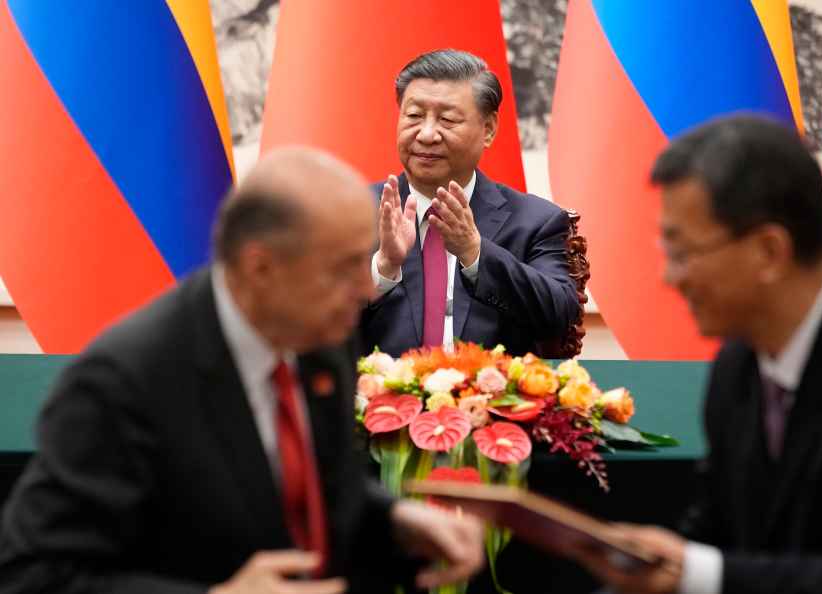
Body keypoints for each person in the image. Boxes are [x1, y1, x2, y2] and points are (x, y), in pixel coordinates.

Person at [0, 147, 484, 594]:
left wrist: (397, 519)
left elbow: (313, 481)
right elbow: (34, 574)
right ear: (261, 269)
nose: (365, 287)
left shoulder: (322, 335)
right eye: (344, 267)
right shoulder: (124, 381)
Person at [575, 116, 822, 593]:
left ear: (769, 251)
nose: (670, 278)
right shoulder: (736, 365)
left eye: (683, 253)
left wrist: (696, 572)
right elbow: (716, 534)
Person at [361, 49, 579, 357]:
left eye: (447, 119)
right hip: (376, 402)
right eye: (413, 116)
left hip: (490, 401)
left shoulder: (536, 221)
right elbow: (305, 323)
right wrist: (381, 271)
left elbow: (561, 315)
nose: (426, 134)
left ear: (488, 129)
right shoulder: (351, 215)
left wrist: (475, 253)